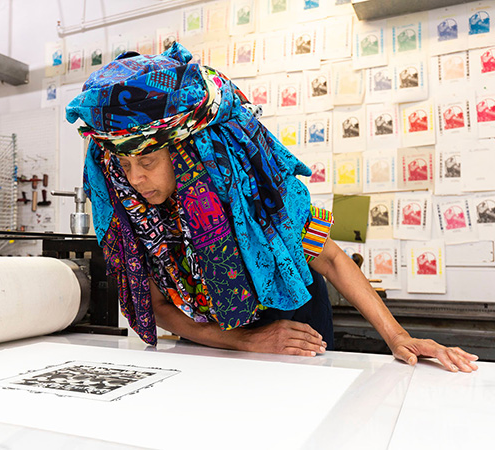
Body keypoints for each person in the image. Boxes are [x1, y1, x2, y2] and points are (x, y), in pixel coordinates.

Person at [66, 43, 479, 373]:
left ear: (185, 151)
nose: (136, 178)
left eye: (149, 161)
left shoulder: (251, 193)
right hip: (213, 336)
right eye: (124, 164)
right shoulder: (133, 214)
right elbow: (157, 306)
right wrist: (245, 341)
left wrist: (396, 336)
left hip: (295, 325)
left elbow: (332, 259)